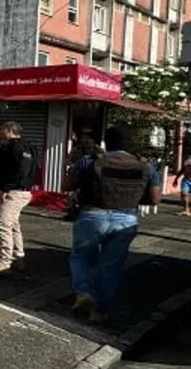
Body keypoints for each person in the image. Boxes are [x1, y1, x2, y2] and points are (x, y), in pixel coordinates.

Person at [65, 125, 162, 324]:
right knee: (111, 266)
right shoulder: (145, 166)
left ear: (106, 142)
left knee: (82, 255)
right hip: (126, 218)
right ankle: (100, 311)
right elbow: (154, 200)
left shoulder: (90, 161)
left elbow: (67, 186)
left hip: (92, 215)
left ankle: (83, 292)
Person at [0, 122, 38, 276]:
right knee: (13, 224)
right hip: (23, 191)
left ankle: (4, 261)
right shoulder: (30, 148)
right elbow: (30, 169)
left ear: (9, 131)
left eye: (2, 129)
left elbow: (19, 170)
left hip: (11, 192)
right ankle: (17, 255)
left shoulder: (12, 148)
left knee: (2, 225)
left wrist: (5, 188)